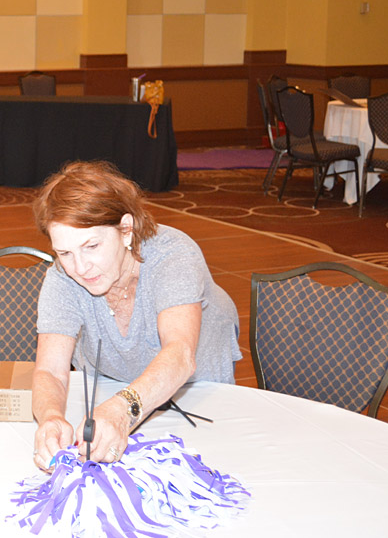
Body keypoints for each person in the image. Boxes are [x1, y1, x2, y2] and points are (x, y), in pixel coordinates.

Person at [30, 161, 241, 471]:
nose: (80, 267)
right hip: (112, 390)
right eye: (65, 253)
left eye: (92, 246)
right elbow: (50, 370)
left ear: (126, 229)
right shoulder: (63, 275)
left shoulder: (173, 255)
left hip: (194, 394)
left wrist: (120, 411)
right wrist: (51, 417)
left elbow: (180, 354)